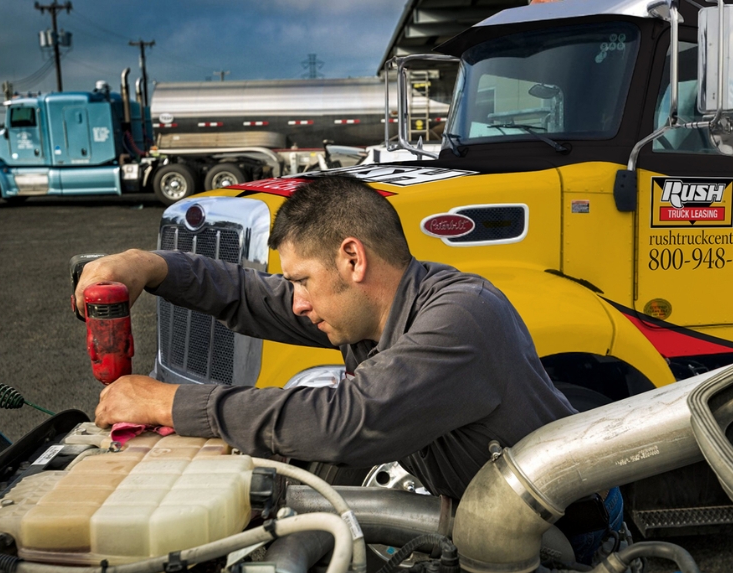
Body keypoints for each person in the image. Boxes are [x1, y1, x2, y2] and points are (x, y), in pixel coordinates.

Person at [75, 175, 618, 564]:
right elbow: (246, 295)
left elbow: (347, 420)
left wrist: (166, 402)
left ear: (353, 260)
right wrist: (151, 264)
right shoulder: (363, 315)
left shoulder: (460, 317)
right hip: (485, 518)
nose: (296, 303)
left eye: (302, 281)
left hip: (563, 536)